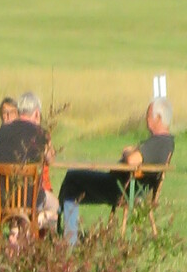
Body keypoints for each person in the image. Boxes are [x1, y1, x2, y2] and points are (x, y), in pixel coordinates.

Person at [56, 97, 174, 235]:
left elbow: (132, 160)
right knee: (72, 189)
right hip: (129, 187)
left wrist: (127, 152)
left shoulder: (159, 143)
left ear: (158, 118)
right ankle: (63, 228)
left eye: (148, 116)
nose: (146, 119)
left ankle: (62, 229)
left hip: (122, 189)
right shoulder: (166, 143)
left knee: (72, 178)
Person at [0, 89, 55, 234]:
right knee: (54, 206)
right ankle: (33, 226)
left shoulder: (3, 130)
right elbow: (50, 159)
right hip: (30, 199)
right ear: (36, 113)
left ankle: (15, 232)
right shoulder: (39, 132)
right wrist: (47, 139)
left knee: (21, 204)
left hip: (4, 197)